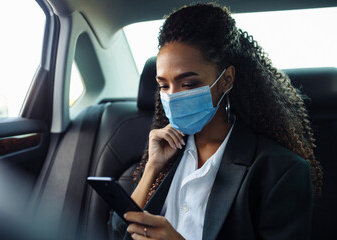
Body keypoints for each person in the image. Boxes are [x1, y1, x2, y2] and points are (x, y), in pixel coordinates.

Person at [109, 3, 323, 240]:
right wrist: (152, 167)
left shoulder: (280, 170)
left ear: (226, 79)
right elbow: (119, 232)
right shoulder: (168, 154)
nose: (173, 95)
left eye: (188, 84)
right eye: (163, 85)